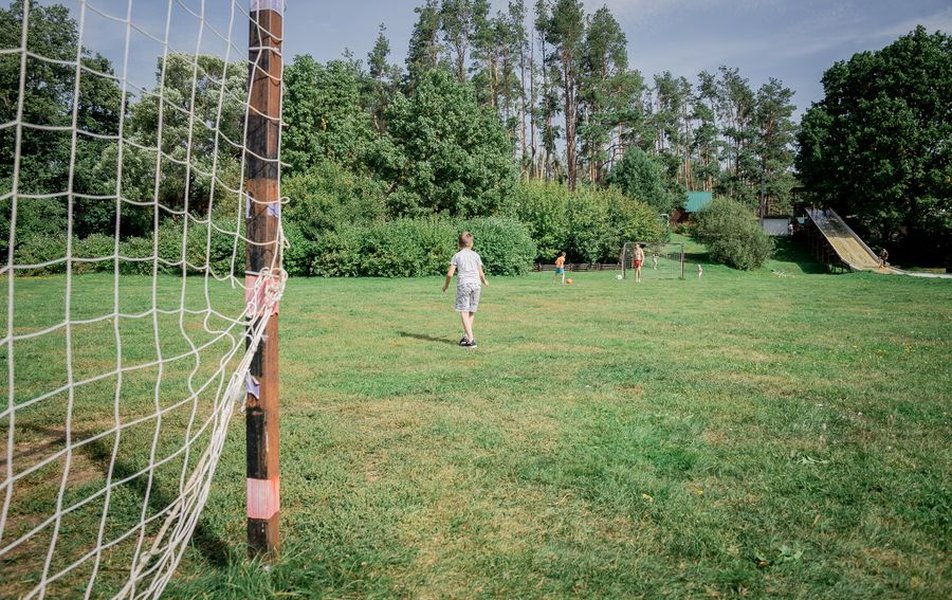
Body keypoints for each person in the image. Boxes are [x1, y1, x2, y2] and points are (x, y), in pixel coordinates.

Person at [443, 231, 489, 348]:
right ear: (471, 243)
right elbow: (481, 273)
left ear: (459, 244)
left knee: (464, 311)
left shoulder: (457, 256)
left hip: (464, 285)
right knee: (471, 311)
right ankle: (466, 337)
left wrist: (446, 286)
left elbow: (449, 274)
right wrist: (484, 281)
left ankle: (471, 340)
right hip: (476, 285)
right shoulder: (476, 255)